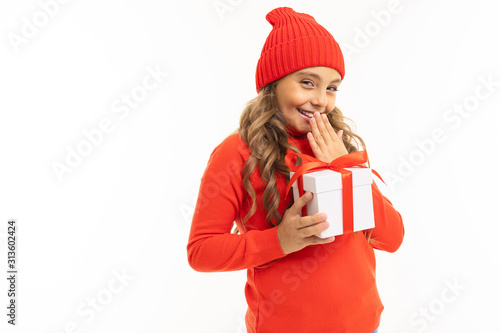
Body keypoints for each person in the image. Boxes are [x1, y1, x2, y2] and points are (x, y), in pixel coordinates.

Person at [187, 6, 404, 333]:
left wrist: (345, 166)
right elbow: (201, 252)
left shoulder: (339, 145)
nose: (320, 100)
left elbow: (392, 238)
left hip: (363, 324)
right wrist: (280, 240)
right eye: (307, 83)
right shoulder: (236, 153)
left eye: (331, 87)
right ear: (273, 84)